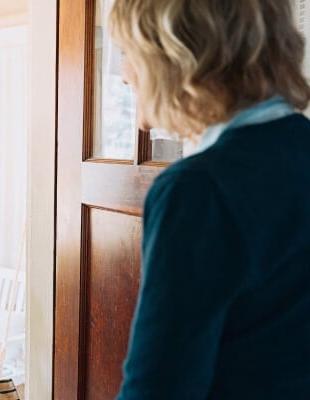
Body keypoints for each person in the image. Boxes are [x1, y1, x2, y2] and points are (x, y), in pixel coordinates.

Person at [108, 0, 310, 399]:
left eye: (129, 53)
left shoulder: (198, 192)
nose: (124, 75)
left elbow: (158, 390)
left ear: (179, 55)